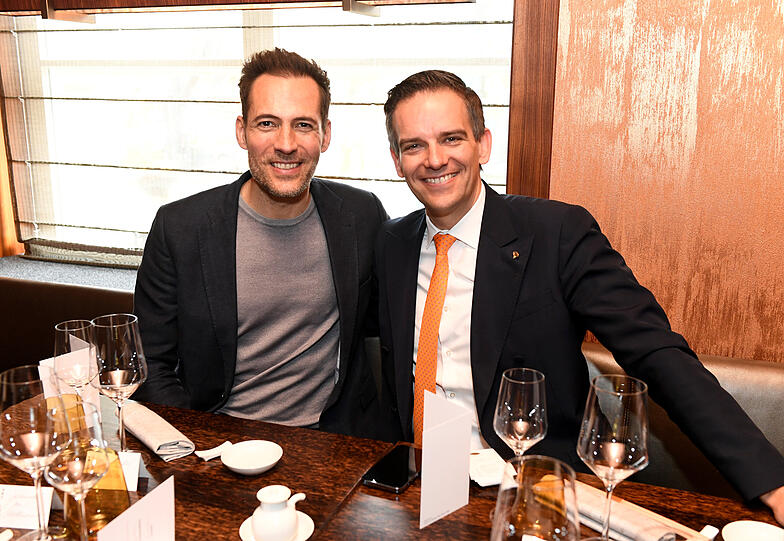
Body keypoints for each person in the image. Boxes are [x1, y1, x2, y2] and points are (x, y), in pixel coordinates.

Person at [375, 69, 784, 522]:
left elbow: (654, 350)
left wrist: (771, 480)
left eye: (451, 138)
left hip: (536, 486)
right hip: (419, 483)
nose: (435, 159)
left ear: (483, 145)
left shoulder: (557, 233)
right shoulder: (391, 244)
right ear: (397, 160)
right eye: (414, 146)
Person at [133, 48, 388, 439]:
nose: (286, 143)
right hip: (219, 441)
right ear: (242, 131)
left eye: (303, 125)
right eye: (267, 123)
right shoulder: (180, 228)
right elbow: (150, 364)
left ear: (325, 135)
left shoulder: (361, 215)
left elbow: (391, 323)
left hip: (334, 441)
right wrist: (197, 444)